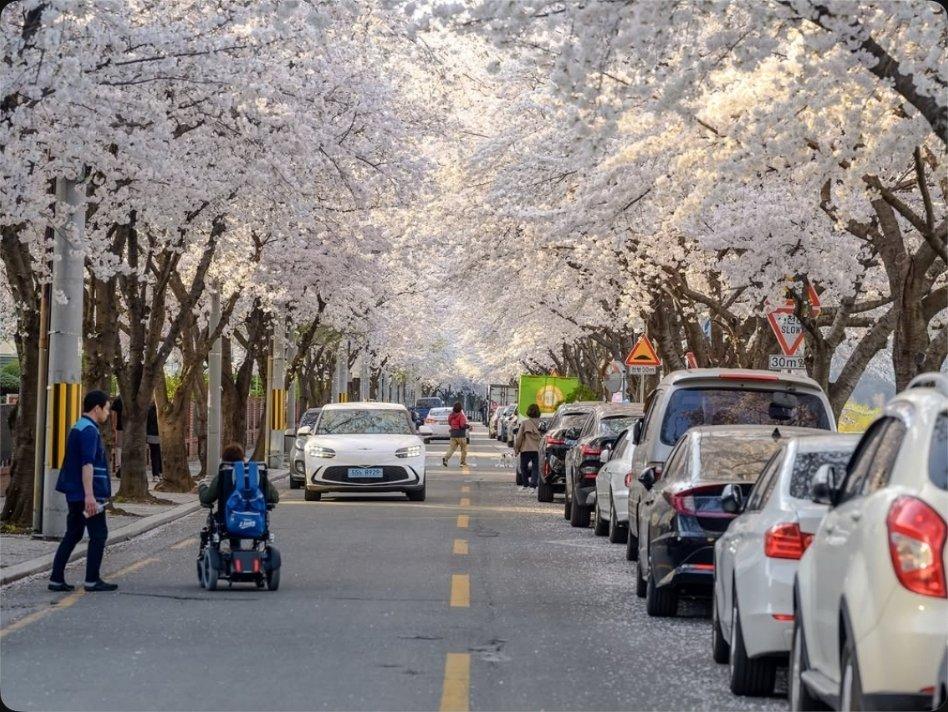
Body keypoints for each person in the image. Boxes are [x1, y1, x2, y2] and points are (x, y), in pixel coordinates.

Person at [49, 390, 117, 593]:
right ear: (97, 408)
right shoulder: (89, 431)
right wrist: (90, 496)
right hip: (88, 494)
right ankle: (92, 580)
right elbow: (87, 464)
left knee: (74, 533)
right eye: (106, 409)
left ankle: (56, 578)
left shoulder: (78, 427)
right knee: (99, 534)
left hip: (75, 493)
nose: (107, 413)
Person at [198, 443, 279, 508]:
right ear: (242, 458)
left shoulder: (223, 475)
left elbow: (206, 498)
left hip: (227, 521)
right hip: (256, 523)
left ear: (225, 459)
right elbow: (274, 497)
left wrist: (202, 485)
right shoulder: (257, 475)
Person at [515, 403, 542, 490]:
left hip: (525, 449)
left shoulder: (524, 423)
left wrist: (517, 449)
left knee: (524, 467)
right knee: (535, 467)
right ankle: (533, 484)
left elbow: (519, 437)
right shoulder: (541, 424)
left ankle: (526, 484)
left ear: (528, 412)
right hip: (536, 449)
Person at [442, 402, 470, 468]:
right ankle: (462, 462)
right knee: (464, 449)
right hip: (461, 435)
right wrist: (468, 426)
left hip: (453, 434)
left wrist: (453, 426)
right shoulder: (461, 415)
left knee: (451, 449)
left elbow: (449, 422)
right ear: (460, 408)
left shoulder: (451, 415)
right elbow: (462, 425)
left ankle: (445, 459)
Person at [146, 402, 161, 482]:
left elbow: (147, 424)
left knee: (154, 455)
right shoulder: (162, 409)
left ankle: (156, 474)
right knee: (159, 454)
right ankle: (159, 473)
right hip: (160, 434)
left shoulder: (149, 410)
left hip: (151, 435)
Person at [111, 394, 123, 479]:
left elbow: (113, 414)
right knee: (120, 447)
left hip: (120, 428)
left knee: (119, 447)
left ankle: (119, 466)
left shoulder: (118, 399)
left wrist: (114, 426)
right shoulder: (133, 397)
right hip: (123, 428)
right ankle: (120, 467)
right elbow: (114, 414)